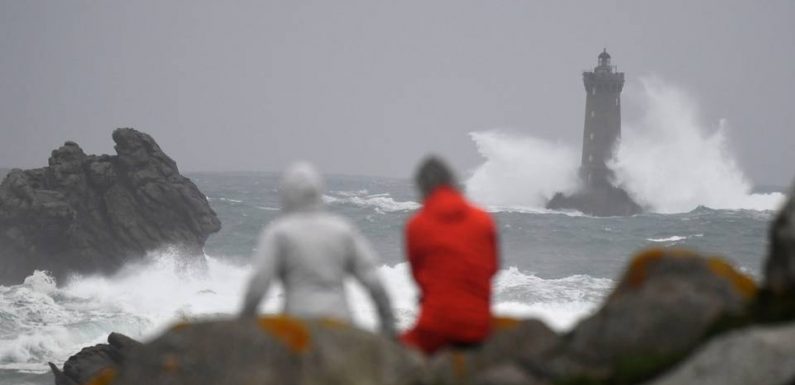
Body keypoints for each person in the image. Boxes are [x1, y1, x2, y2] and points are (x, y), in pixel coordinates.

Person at [239, 162, 396, 337]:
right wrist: (388, 326)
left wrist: (244, 322)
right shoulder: (342, 229)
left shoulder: (279, 232)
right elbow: (373, 280)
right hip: (340, 326)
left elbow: (259, 282)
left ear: (287, 194)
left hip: (298, 327)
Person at [401, 156, 499, 354]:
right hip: (478, 327)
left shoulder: (417, 225)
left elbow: (419, 277)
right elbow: (492, 269)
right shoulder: (483, 219)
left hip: (434, 327)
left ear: (422, 187)